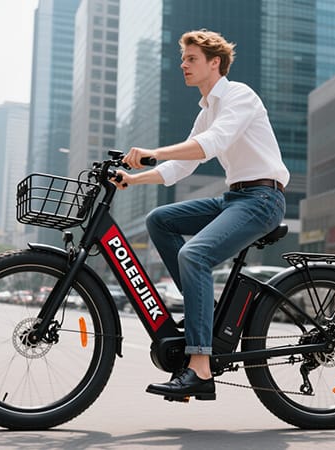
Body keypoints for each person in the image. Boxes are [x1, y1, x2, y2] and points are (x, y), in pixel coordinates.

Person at [114, 29, 289, 400]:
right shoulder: (207, 110)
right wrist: (134, 178)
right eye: (183, 59)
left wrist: (153, 152)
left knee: (194, 254)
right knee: (159, 219)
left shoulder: (239, 95)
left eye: (191, 58)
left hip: (262, 198)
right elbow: (182, 166)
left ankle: (200, 369)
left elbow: (212, 144)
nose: (183, 65)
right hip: (236, 198)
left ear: (215, 63)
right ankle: (204, 315)